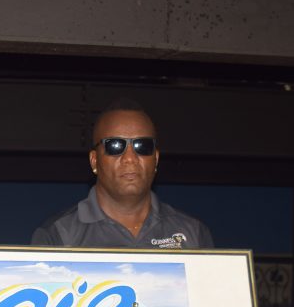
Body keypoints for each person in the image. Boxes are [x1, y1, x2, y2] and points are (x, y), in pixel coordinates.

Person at [31, 101, 213, 249]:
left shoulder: (193, 233)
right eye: (115, 146)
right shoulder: (58, 235)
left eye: (142, 146)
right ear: (94, 161)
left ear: (156, 159)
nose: (130, 158)